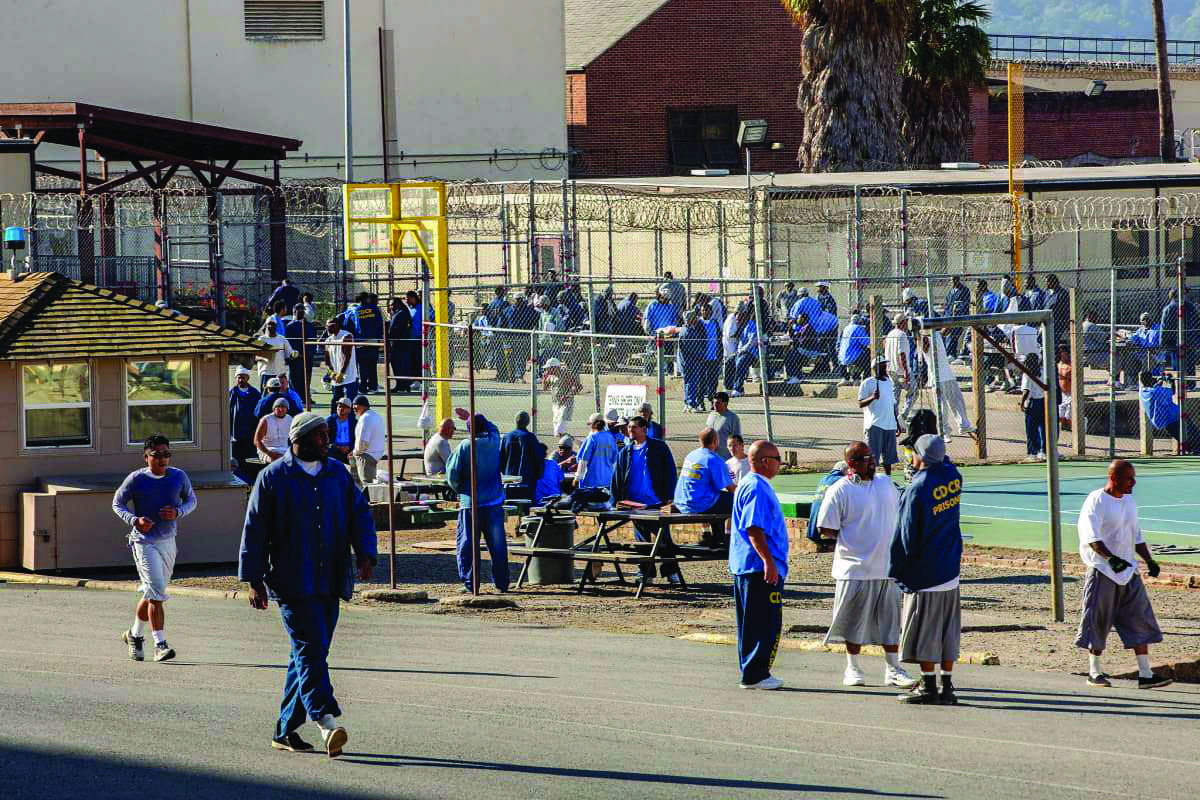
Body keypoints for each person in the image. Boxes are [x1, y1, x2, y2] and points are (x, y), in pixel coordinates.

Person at [239, 411, 377, 756]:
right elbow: (255, 530)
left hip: (330, 578)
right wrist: (254, 579)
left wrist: (365, 553)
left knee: (307, 655)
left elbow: (360, 514)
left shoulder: (337, 475)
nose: (326, 440)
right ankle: (326, 721)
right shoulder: (272, 478)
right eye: (319, 435)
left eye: (327, 434)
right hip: (292, 581)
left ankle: (285, 731)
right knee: (311, 650)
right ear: (297, 440)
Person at [816, 441, 915, 689]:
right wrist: (854, 536)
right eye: (865, 459)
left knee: (891, 623)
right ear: (851, 464)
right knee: (852, 622)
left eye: (872, 457)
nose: (871, 462)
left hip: (888, 568)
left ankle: (893, 669)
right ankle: (853, 668)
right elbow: (826, 527)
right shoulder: (839, 490)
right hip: (854, 568)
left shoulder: (885, 484)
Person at [1074, 459, 1171, 689]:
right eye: (1129, 478)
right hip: (1103, 572)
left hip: (1129, 573)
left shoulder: (1129, 502)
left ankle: (1145, 673)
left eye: (1134, 477)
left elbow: (1136, 536)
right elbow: (1092, 538)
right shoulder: (1096, 500)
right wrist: (1111, 559)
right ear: (1114, 478)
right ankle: (1094, 672)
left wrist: (1149, 560)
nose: (1134, 482)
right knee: (1098, 620)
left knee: (1140, 618)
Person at [889, 434, 964, 705]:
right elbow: (948, 464)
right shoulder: (953, 477)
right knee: (947, 631)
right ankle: (947, 686)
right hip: (950, 568)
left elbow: (905, 536)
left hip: (926, 571)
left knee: (925, 632)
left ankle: (928, 686)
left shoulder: (916, 489)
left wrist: (897, 569)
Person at [114, 434, 196, 663]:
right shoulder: (136, 479)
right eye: (157, 455)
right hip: (143, 541)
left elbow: (191, 500)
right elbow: (117, 503)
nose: (163, 459)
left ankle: (134, 634)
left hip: (168, 540)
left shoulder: (178, 476)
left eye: (167, 454)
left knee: (152, 592)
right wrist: (134, 520)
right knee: (157, 592)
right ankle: (160, 644)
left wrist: (178, 512)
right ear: (146, 457)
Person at [729, 440, 788, 690]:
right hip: (757, 567)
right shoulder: (757, 488)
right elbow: (754, 528)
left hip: (747, 565)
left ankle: (752, 670)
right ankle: (756, 673)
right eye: (777, 459)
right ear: (765, 461)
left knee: (751, 622)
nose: (780, 464)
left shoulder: (749, 484)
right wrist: (768, 561)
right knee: (765, 622)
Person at [446, 409, 509, 593]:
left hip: (471, 503)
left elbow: (452, 475)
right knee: (497, 545)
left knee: (468, 545)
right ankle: (502, 582)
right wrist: (472, 416)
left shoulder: (465, 446)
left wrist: (461, 490)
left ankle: (470, 583)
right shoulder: (494, 440)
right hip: (494, 502)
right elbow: (493, 427)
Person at [613, 416, 679, 585]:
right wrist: (618, 499)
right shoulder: (625, 452)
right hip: (635, 504)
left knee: (664, 539)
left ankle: (671, 572)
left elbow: (670, 472)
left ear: (644, 429)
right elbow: (618, 477)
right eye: (629, 428)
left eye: (634, 427)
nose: (630, 431)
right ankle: (645, 572)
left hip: (656, 502)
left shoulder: (658, 447)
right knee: (642, 541)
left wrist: (669, 497)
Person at [675, 427, 738, 546]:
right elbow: (730, 488)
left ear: (700, 441)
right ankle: (735, 538)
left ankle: (717, 536)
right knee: (736, 500)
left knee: (718, 499)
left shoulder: (691, 455)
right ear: (715, 441)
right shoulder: (714, 459)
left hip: (682, 502)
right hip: (699, 504)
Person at [919, 330, 974, 438]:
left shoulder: (936, 334)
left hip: (948, 375)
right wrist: (923, 336)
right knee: (941, 406)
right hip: (937, 378)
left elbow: (945, 330)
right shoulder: (924, 340)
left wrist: (953, 317)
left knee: (957, 400)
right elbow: (924, 346)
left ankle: (963, 425)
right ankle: (944, 431)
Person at [1139, 371, 1200, 452]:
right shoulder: (1155, 392)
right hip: (1172, 419)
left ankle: (1192, 448)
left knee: (1185, 437)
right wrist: (1172, 382)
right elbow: (1172, 391)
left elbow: (1156, 388)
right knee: (1192, 436)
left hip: (1165, 421)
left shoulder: (1143, 391)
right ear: (1149, 380)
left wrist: (1160, 381)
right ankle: (1194, 448)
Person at [859, 357, 899, 476]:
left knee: (889, 458)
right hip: (875, 424)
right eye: (881, 365)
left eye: (885, 365)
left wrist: (897, 423)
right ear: (874, 367)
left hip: (890, 424)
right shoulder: (867, 383)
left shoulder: (889, 382)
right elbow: (860, 403)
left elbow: (892, 404)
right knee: (872, 457)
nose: (884, 367)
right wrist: (872, 397)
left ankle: (888, 479)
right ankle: (871, 479)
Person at [500, 411, 546, 502]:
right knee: (525, 506)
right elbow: (538, 458)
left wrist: (505, 473)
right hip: (526, 479)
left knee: (510, 506)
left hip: (509, 479)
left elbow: (501, 459)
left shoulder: (507, 437)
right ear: (528, 422)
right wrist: (538, 474)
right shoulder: (530, 437)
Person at [806, 460, 848, 552]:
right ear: (845, 471)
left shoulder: (823, 479)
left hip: (812, 531)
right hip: (826, 532)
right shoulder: (841, 481)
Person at [228, 366, 262, 479]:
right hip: (235, 437)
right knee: (237, 463)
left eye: (243, 377)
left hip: (249, 437)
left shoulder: (255, 394)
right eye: (238, 377)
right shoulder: (231, 393)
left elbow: (259, 415)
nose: (240, 380)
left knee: (249, 463)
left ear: (247, 378)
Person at [574, 413, 618, 498]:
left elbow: (583, 460)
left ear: (592, 425)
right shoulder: (610, 438)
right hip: (607, 481)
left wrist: (577, 478)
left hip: (591, 481)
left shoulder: (592, 438)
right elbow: (615, 460)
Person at [884, 314, 916, 426]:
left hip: (891, 369)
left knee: (895, 395)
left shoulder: (890, 334)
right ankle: (903, 415)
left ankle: (892, 417)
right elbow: (901, 353)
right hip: (901, 370)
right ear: (903, 322)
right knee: (913, 391)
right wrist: (906, 370)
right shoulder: (902, 335)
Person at [284, 304, 318, 404]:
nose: (300, 312)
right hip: (296, 357)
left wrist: (309, 352)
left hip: (308, 356)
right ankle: (296, 398)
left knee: (306, 377)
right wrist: (297, 353)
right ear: (294, 312)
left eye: (302, 310)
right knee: (295, 378)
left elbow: (313, 339)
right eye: (298, 310)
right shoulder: (290, 326)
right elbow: (290, 341)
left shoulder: (309, 325)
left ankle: (306, 397)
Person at [324, 317, 358, 414]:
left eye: (329, 325)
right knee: (335, 402)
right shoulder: (328, 340)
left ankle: (351, 423)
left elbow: (347, 357)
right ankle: (332, 424)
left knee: (350, 403)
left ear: (336, 325)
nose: (327, 328)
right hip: (336, 378)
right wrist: (331, 372)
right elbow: (327, 359)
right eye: (326, 326)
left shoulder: (346, 336)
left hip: (349, 377)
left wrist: (341, 373)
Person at [541, 357, 581, 437]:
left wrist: (567, 396)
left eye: (549, 369)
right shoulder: (550, 376)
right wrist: (544, 379)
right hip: (556, 400)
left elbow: (577, 386)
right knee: (556, 419)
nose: (547, 371)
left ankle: (560, 434)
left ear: (555, 368)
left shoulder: (565, 373)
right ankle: (559, 434)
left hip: (566, 400)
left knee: (562, 417)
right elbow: (544, 388)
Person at [350, 395, 384, 485]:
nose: (354, 408)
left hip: (366, 456)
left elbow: (363, 442)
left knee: (367, 485)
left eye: (356, 406)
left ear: (363, 406)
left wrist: (355, 452)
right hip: (375, 454)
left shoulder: (365, 418)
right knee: (366, 484)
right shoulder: (375, 416)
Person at [1018, 353, 1046, 461]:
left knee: (1031, 429)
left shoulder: (1027, 374)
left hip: (1032, 402)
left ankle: (1032, 452)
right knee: (1042, 428)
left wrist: (1022, 402)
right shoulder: (1042, 371)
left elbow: (1026, 390)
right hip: (1042, 401)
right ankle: (1043, 451)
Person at [256, 319, 296, 392]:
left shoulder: (282, 339)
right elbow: (255, 356)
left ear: (276, 326)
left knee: (280, 395)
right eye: (269, 324)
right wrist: (264, 359)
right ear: (266, 327)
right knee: (265, 395)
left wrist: (292, 355)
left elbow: (289, 353)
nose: (271, 326)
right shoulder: (261, 339)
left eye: (273, 325)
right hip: (266, 372)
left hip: (279, 373)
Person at [680, 309, 708, 411]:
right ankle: (691, 403)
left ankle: (688, 403)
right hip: (691, 362)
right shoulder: (688, 332)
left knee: (688, 382)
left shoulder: (686, 330)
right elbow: (693, 348)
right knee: (692, 382)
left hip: (687, 361)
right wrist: (701, 356)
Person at [387, 296, 415, 393]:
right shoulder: (403, 312)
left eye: (392, 304)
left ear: (397, 304)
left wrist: (388, 337)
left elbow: (394, 329)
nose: (390, 307)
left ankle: (401, 385)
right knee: (403, 365)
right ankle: (404, 385)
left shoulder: (400, 314)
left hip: (399, 344)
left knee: (398, 365)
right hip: (403, 343)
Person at [706, 391, 742, 461]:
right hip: (711, 456)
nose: (715, 405)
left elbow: (737, 439)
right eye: (714, 403)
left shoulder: (732, 418)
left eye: (718, 403)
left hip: (725, 459)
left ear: (725, 404)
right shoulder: (711, 415)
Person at [837, 314, 870, 386]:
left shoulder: (846, 328)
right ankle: (864, 379)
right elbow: (866, 342)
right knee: (869, 360)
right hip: (853, 356)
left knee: (859, 357)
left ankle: (846, 378)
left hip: (842, 357)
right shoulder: (858, 328)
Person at [255, 398, 293, 462]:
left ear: (287, 409)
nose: (280, 409)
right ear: (273, 408)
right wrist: (269, 453)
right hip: (267, 450)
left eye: (283, 407)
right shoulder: (266, 420)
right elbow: (257, 441)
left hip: (284, 449)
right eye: (278, 407)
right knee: (278, 461)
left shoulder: (289, 419)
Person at [700, 302, 723, 404]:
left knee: (713, 380)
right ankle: (700, 401)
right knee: (702, 380)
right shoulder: (699, 323)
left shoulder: (715, 323)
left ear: (711, 311)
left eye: (707, 310)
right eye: (703, 310)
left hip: (713, 357)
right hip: (702, 358)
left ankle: (712, 399)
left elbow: (719, 339)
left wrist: (720, 354)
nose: (705, 312)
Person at [943, 276, 970, 358]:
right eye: (951, 281)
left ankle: (951, 354)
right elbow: (947, 305)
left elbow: (964, 304)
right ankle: (947, 353)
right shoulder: (951, 292)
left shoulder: (964, 290)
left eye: (954, 280)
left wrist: (957, 313)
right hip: (949, 317)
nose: (952, 282)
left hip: (958, 317)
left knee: (953, 334)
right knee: (945, 334)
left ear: (958, 280)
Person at [325, 396, 356, 464]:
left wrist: (350, 447)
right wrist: (336, 446)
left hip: (349, 448)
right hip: (334, 447)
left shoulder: (354, 422)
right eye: (339, 406)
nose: (341, 409)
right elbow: (325, 437)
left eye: (344, 407)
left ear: (349, 409)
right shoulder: (330, 421)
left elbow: (356, 438)